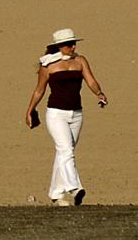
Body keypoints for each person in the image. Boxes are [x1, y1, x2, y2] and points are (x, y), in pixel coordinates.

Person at [23, 28, 108, 206]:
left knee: (64, 152)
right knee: (66, 150)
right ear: (60, 46)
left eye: (74, 43)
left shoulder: (80, 60)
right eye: (69, 44)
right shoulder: (48, 65)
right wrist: (30, 109)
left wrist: (99, 93)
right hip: (56, 113)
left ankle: (56, 194)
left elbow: (90, 80)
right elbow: (39, 90)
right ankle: (74, 187)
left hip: (76, 113)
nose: (73, 47)